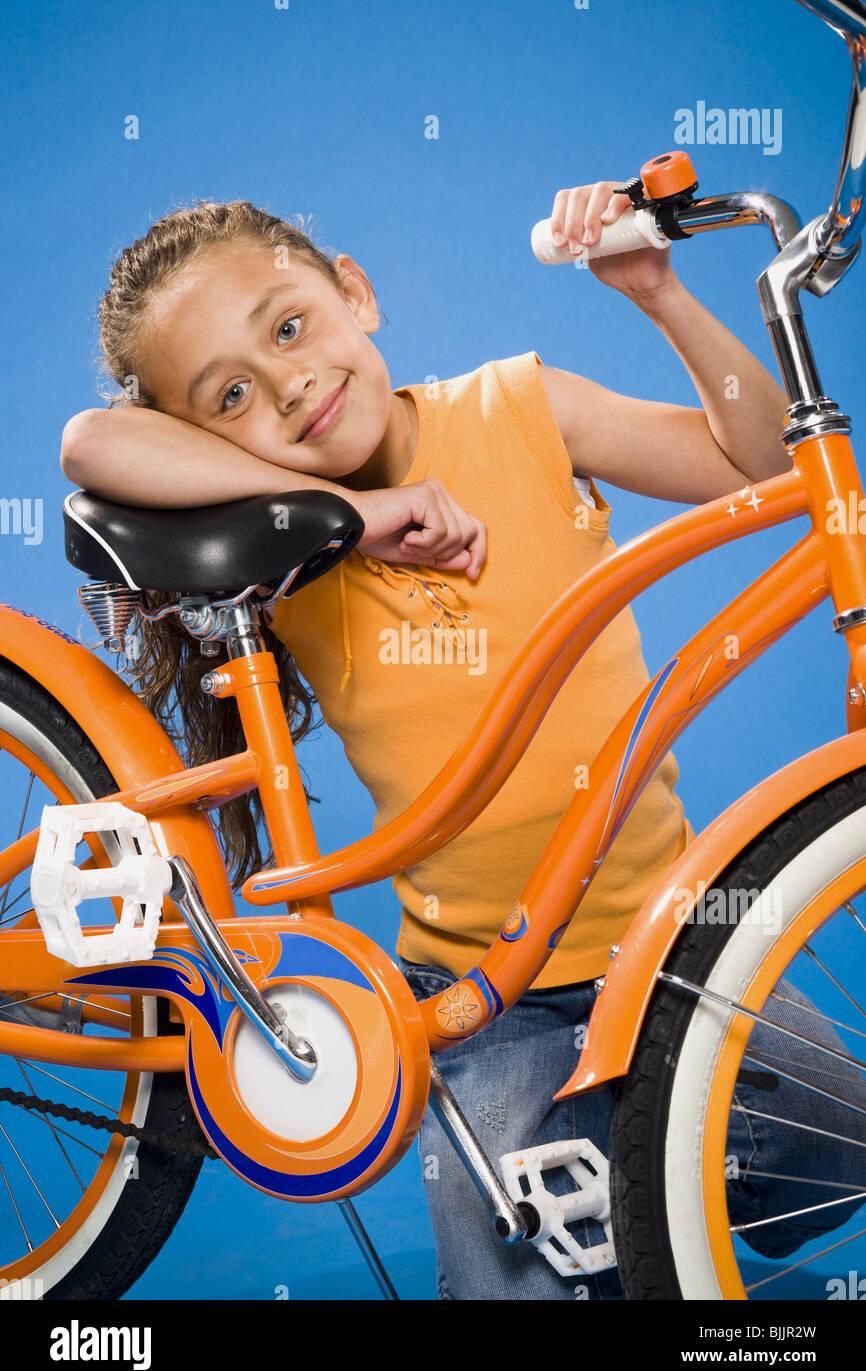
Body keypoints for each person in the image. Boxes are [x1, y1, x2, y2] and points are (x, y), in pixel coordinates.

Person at [60, 185, 866, 1300]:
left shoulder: (520, 408)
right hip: (490, 1001)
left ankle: (651, 1178)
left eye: (289, 326)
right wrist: (348, 513)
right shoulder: (285, 539)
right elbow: (92, 441)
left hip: (678, 944)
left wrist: (657, 294)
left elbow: (765, 467)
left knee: (846, 1133)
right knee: (502, 1278)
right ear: (202, 442)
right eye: (229, 395)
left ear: (355, 291)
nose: (288, 384)